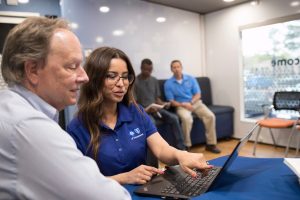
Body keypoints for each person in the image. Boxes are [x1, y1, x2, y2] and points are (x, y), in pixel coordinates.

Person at [0, 17, 130, 199]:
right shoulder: (29, 126)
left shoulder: (10, 107)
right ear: (33, 70)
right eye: (72, 66)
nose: (84, 77)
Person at [67, 47, 212, 185]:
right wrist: (123, 178)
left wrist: (182, 155)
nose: (121, 84)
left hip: (142, 191)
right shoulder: (77, 128)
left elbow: (162, 149)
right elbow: (79, 184)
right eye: (112, 76)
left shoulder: (136, 112)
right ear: (94, 80)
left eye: (125, 77)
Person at [164, 60, 221, 154]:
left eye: (178, 67)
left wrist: (190, 102)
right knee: (187, 119)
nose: (177, 69)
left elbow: (198, 94)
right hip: (181, 106)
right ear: (171, 69)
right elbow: (171, 102)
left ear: (181, 67)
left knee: (210, 116)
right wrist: (184, 104)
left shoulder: (190, 78)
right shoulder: (168, 84)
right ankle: (186, 146)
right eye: (174, 67)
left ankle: (211, 144)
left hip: (195, 103)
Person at [134, 58, 186, 150]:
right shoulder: (135, 82)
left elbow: (157, 99)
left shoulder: (154, 80)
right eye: (146, 69)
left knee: (174, 118)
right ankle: (158, 150)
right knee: (152, 123)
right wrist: (146, 109)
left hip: (156, 109)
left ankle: (181, 148)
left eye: (150, 70)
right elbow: (134, 103)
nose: (149, 72)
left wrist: (163, 104)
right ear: (141, 68)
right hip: (144, 111)